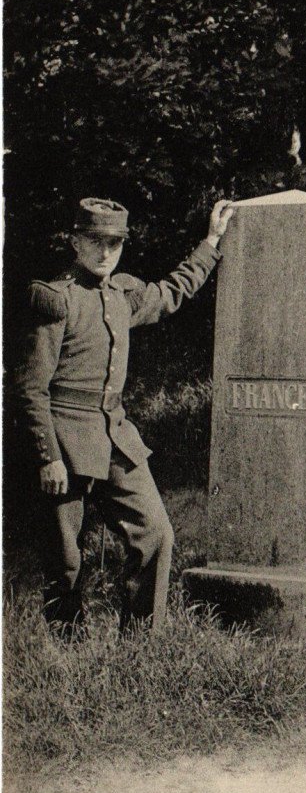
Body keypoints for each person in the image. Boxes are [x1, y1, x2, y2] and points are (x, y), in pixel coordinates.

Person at [15, 196, 238, 637]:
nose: (104, 252)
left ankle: (140, 646)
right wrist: (48, 457)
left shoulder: (123, 295)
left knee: (157, 535)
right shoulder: (56, 301)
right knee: (66, 561)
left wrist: (211, 241)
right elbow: (29, 388)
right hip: (65, 442)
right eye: (95, 241)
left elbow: (173, 291)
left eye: (114, 243)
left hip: (115, 438)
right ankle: (66, 649)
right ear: (75, 242)